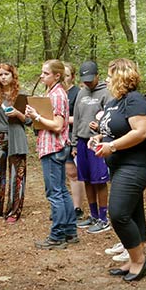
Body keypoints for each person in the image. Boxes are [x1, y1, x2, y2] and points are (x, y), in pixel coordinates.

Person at [91, 58, 146, 281]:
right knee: (134, 213)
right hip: (119, 165)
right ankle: (133, 258)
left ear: (120, 77)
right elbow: (113, 130)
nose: (106, 80)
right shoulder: (114, 102)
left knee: (118, 214)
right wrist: (99, 138)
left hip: (135, 165)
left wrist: (112, 146)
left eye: (109, 76)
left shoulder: (135, 100)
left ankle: (139, 261)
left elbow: (141, 132)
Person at [25, 59, 78, 250]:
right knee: (62, 190)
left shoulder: (56, 95)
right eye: (42, 72)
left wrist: (36, 117)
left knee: (54, 193)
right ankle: (70, 231)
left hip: (53, 148)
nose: (41, 76)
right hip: (55, 146)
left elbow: (57, 125)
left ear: (56, 75)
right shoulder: (53, 92)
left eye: (45, 73)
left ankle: (57, 236)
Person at [0, 63, 29, 223]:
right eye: (1, 75)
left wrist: (17, 113)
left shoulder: (21, 96)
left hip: (16, 137)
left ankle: (13, 211)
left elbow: (29, 120)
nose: (3, 77)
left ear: (12, 76)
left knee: (17, 176)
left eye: (6, 74)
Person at [72, 60, 112, 234]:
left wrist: (101, 127)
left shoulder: (106, 92)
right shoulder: (81, 93)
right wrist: (74, 142)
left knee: (99, 180)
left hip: (97, 142)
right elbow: (77, 118)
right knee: (86, 179)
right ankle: (94, 215)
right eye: (85, 79)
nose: (88, 82)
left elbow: (111, 118)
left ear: (98, 75)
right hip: (81, 141)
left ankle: (104, 218)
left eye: (90, 78)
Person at [63, 62, 86, 219]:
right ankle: (64, 206)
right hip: (58, 136)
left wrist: (61, 120)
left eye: (67, 75)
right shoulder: (54, 92)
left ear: (72, 76)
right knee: (62, 173)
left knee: (74, 173)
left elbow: (81, 118)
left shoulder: (78, 93)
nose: (64, 78)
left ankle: (77, 207)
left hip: (74, 135)